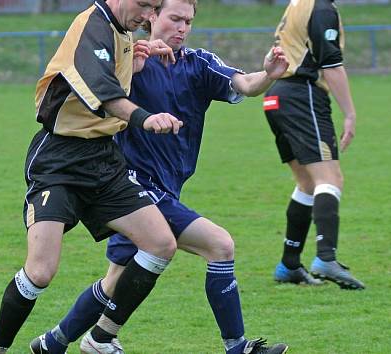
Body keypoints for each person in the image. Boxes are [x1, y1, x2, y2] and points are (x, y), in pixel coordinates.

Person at [28, 1, 290, 353]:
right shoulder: (130, 62)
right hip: (130, 186)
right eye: (175, 18)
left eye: (188, 21)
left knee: (114, 282)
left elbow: (244, 84)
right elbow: (97, 90)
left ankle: (53, 342)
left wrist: (269, 74)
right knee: (220, 246)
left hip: (165, 190)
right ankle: (236, 346)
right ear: (152, 16)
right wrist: (136, 63)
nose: (182, 27)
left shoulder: (199, 65)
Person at [0, 1, 188, 353]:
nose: (148, 15)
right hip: (59, 160)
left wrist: (135, 62)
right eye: (144, 5)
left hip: (103, 160)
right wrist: (145, 118)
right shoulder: (92, 25)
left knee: (160, 244)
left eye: (155, 7)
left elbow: (112, 76)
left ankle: (101, 338)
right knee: (41, 271)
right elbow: (103, 92)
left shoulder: (122, 30)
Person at [263, 0, 365, 290]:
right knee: (330, 179)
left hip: (276, 97)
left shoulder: (298, 4)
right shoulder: (321, 8)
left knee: (308, 184)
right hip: (301, 95)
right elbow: (331, 64)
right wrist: (350, 114)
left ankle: (289, 264)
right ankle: (326, 258)